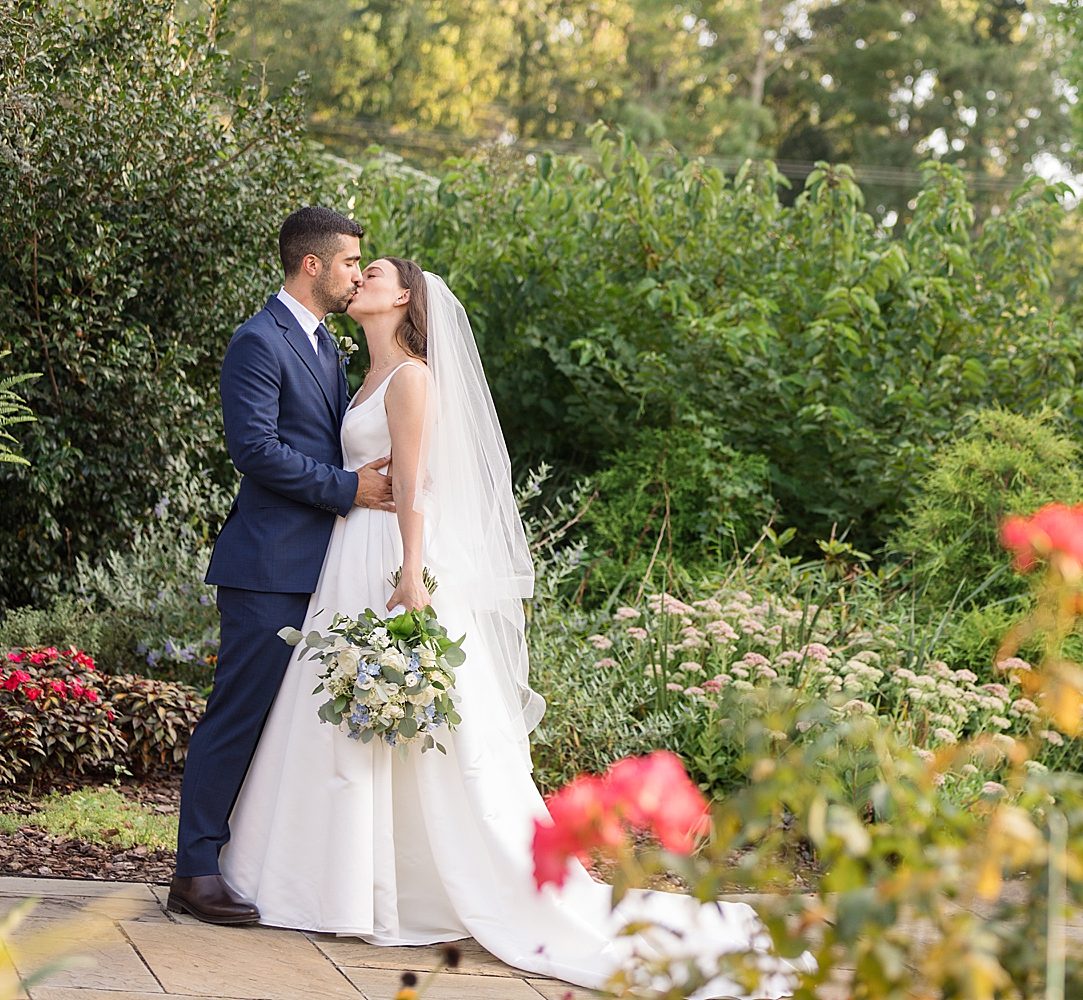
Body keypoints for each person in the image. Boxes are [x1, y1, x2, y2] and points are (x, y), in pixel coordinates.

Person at [217, 253, 780, 996]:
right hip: (346, 560)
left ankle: (416, 887)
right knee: (345, 719)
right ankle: (337, 880)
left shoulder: (413, 376)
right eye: (358, 267)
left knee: (407, 725)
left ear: (405, 300)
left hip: (389, 560)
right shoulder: (361, 375)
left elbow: (417, 483)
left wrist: (412, 571)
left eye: (374, 272)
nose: (361, 280)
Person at [172, 208, 394, 923]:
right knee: (236, 718)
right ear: (312, 265)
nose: (358, 273)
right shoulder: (257, 341)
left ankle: (255, 863)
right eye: (352, 262)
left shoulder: (327, 346)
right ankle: (194, 872)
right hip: (267, 567)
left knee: (286, 730)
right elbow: (256, 451)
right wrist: (349, 489)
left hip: (321, 569)